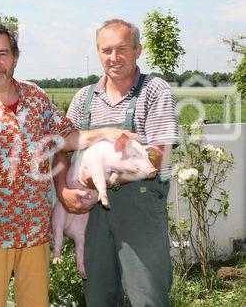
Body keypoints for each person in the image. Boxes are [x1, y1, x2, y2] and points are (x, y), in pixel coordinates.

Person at [0, 23, 133, 307]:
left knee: (35, 302)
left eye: (2, 54)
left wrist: (105, 133)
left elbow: (66, 137)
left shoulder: (35, 97)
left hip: (33, 226)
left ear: (15, 58)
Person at [54, 19, 179, 306]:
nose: (114, 57)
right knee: (98, 295)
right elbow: (62, 148)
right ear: (98, 53)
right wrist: (63, 190)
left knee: (147, 295)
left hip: (140, 208)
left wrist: (107, 178)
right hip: (92, 213)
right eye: (106, 50)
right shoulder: (83, 98)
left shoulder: (154, 90)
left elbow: (159, 154)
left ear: (138, 50)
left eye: (122, 49)